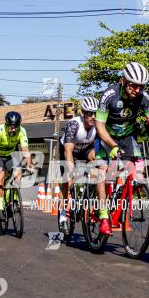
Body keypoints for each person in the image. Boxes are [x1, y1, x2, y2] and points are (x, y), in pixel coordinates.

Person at [94, 61, 149, 236]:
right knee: (102, 171)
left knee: (138, 169)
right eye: (133, 86)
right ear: (122, 81)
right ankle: (103, 216)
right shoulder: (109, 95)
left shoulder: (144, 98)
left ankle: (124, 194)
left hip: (127, 136)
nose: (137, 90)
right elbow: (99, 126)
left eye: (141, 87)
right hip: (106, 136)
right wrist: (112, 145)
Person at [58, 96, 99, 233]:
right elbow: (68, 151)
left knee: (97, 163)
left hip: (86, 149)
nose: (93, 117)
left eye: (95, 113)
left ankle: (90, 192)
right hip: (68, 150)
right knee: (67, 182)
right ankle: (63, 216)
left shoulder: (98, 125)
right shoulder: (74, 124)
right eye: (89, 113)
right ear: (83, 113)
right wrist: (70, 174)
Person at [0, 111, 34, 215]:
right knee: (0, 176)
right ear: (6, 124)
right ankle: (0, 206)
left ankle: (14, 199)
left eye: (16, 126)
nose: (13, 129)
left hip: (10, 155)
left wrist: (29, 163)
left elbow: (25, 148)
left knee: (18, 174)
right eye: (11, 126)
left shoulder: (22, 131)